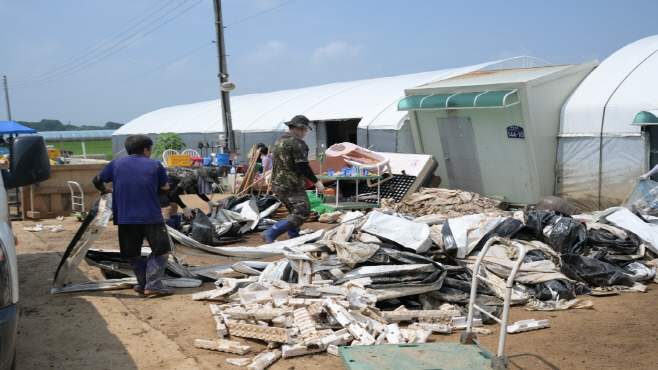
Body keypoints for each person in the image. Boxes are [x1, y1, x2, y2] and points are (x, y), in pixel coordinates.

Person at [92, 134, 175, 295]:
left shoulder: (115, 164)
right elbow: (165, 189)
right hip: (151, 215)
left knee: (133, 252)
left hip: (124, 217)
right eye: (150, 150)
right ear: (145, 150)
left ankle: (143, 283)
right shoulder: (156, 165)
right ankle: (154, 284)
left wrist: (105, 191)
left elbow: (97, 180)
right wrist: (148, 193)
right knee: (162, 249)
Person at [262, 115, 325, 243]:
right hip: (291, 184)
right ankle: (271, 232)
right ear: (299, 128)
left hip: (277, 182)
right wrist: (316, 181)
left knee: (294, 210)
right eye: (306, 130)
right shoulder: (297, 143)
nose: (306, 133)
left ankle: (294, 237)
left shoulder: (280, 141)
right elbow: (302, 165)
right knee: (303, 212)